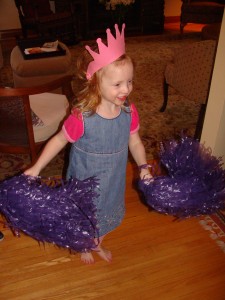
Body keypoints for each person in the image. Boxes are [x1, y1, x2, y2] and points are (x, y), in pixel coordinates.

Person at [24, 23, 152, 264]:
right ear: (95, 82)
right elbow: (59, 139)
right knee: (84, 215)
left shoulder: (129, 111)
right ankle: (83, 244)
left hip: (113, 179)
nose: (126, 89)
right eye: (117, 84)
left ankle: (98, 243)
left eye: (129, 81)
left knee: (105, 216)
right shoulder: (83, 116)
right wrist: (36, 168)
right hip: (85, 179)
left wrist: (144, 167)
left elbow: (134, 141)